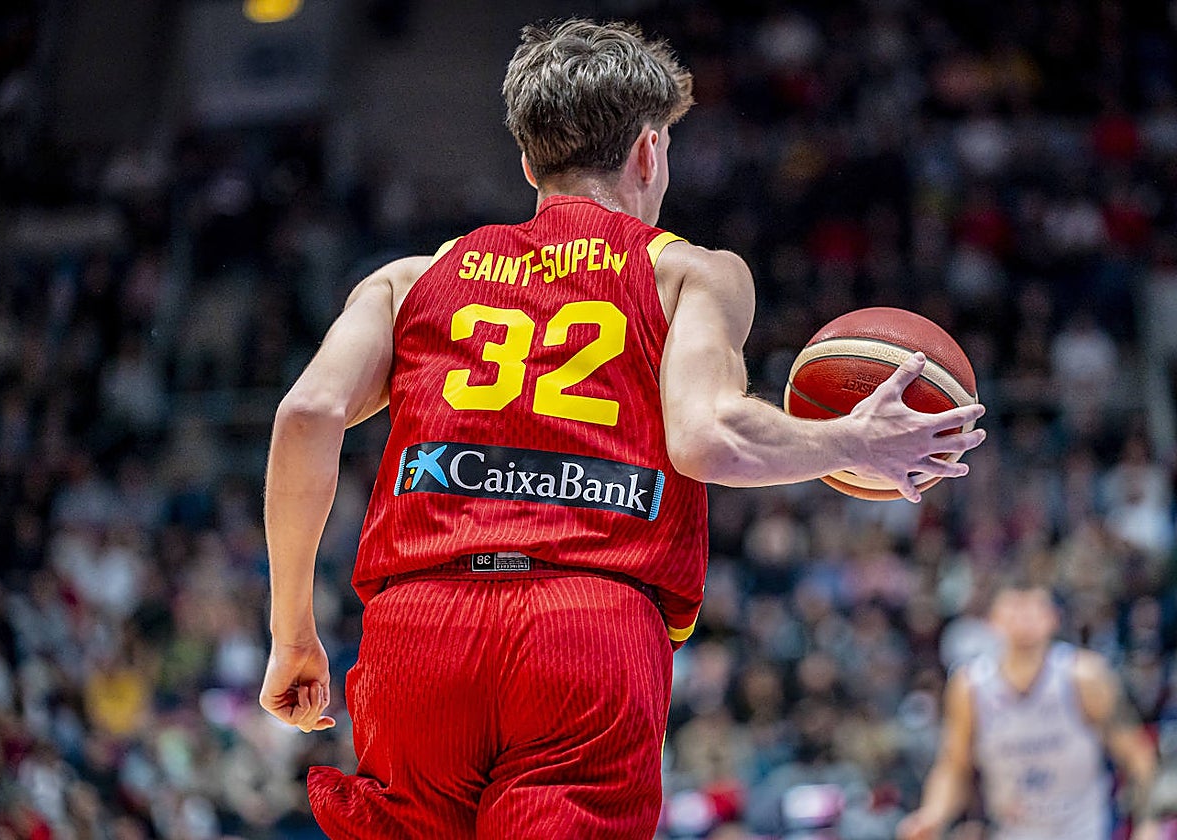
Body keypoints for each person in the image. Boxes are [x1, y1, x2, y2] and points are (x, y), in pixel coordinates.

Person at [258, 18, 986, 840]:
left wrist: (292, 633)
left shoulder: (410, 279)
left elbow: (307, 413)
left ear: (530, 163)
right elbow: (707, 437)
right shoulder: (687, 271)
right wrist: (852, 440)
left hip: (418, 629)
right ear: (648, 153)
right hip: (587, 630)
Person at [898, 580, 1161, 840]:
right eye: (1014, 609)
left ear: (1053, 618)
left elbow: (1138, 755)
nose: (1024, 619)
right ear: (993, 620)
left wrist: (1147, 822)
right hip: (1012, 831)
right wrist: (932, 814)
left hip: (1085, 829)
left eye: (1034, 609)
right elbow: (954, 767)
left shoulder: (1084, 676)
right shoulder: (970, 687)